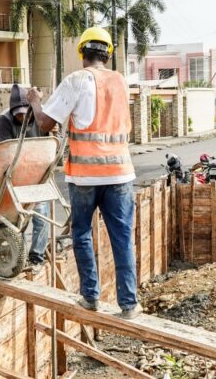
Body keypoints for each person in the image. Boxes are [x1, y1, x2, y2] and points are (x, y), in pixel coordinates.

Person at [27, 26, 141, 320]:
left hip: (85, 177)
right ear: (108, 54)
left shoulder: (76, 80)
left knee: (81, 233)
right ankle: (129, 304)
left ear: (82, 54)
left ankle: (90, 296)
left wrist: (34, 100)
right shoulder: (121, 82)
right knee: (122, 236)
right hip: (120, 174)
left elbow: (44, 123)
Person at [0, 84, 51, 266]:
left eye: (25, 112)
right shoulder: (4, 120)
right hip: (17, 175)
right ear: (12, 111)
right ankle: (20, 259)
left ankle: (36, 257)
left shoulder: (39, 115)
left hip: (38, 172)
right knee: (20, 219)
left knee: (42, 216)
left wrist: (52, 132)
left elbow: (49, 143)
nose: (22, 116)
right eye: (18, 114)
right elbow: (7, 153)